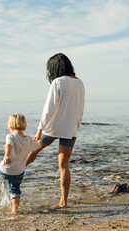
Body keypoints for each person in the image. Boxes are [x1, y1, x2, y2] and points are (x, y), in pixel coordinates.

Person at [26, 53, 85, 209]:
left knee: (34, 150)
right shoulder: (80, 83)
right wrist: (76, 126)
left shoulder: (58, 82)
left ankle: (17, 171)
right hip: (70, 128)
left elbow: (48, 110)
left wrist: (39, 130)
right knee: (64, 165)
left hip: (52, 126)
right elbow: (80, 108)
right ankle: (64, 202)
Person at [0, 114, 40, 214]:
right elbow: (37, 147)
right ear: (25, 127)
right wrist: (39, 141)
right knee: (15, 190)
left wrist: (7, 156)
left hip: (6, 169)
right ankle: (14, 210)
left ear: (10, 127)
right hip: (18, 171)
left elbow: (9, 145)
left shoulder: (10, 136)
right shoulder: (29, 140)